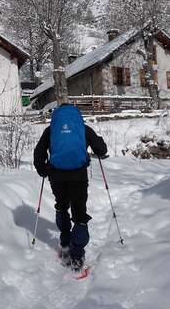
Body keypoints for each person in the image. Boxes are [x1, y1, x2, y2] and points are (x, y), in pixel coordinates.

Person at [33, 103, 108, 271]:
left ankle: (66, 242)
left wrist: (42, 169)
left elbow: (39, 152)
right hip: (78, 175)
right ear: (76, 115)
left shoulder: (51, 130)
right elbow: (101, 149)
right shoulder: (83, 128)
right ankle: (77, 253)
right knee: (79, 212)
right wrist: (99, 146)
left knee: (61, 206)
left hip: (56, 175)